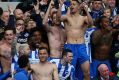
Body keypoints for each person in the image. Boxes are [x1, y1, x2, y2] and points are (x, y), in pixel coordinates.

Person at [60, 0, 93, 79]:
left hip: (81, 47)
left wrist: (86, 10)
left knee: (87, 73)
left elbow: (91, 24)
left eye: (74, 4)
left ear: (79, 6)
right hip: (70, 46)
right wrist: (67, 9)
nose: (71, 6)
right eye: (71, 4)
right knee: (70, 72)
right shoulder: (67, 17)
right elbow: (60, 19)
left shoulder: (84, 18)